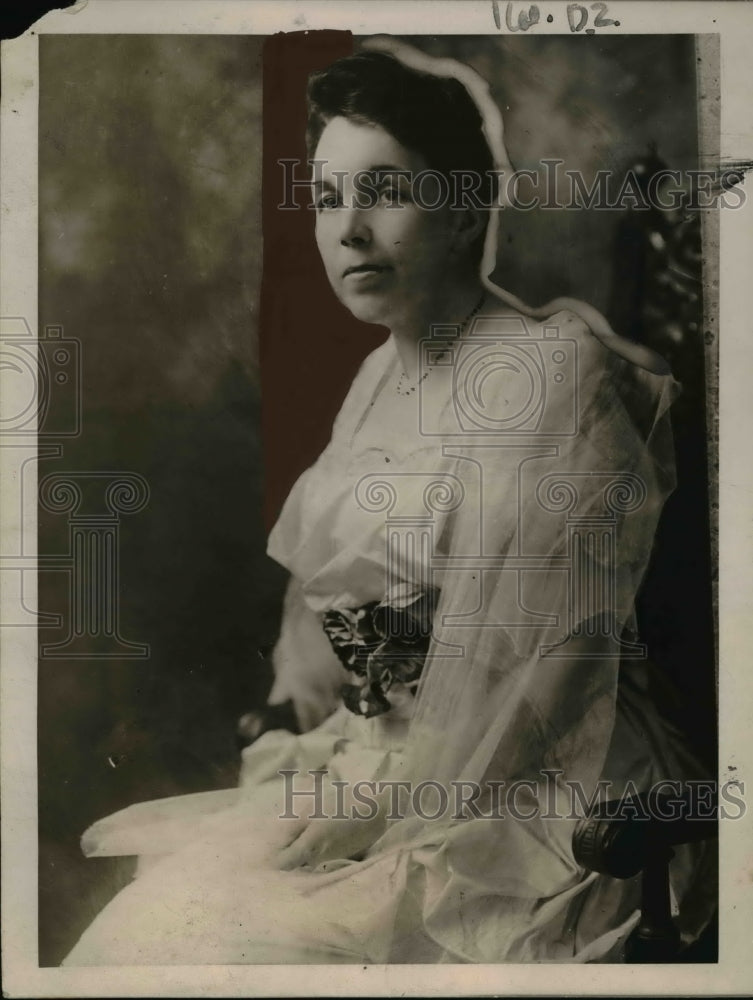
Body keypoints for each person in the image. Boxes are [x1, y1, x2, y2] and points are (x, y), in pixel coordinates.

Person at [64, 39, 715, 965]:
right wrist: (331, 755)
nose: (348, 229)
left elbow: (548, 673)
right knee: (156, 927)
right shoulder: (375, 379)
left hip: (530, 790)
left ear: (462, 210)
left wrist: (386, 807)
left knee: (222, 943)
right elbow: (327, 637)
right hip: (383, 761)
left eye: (386, 191)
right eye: (328, 199)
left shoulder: (550, 372)